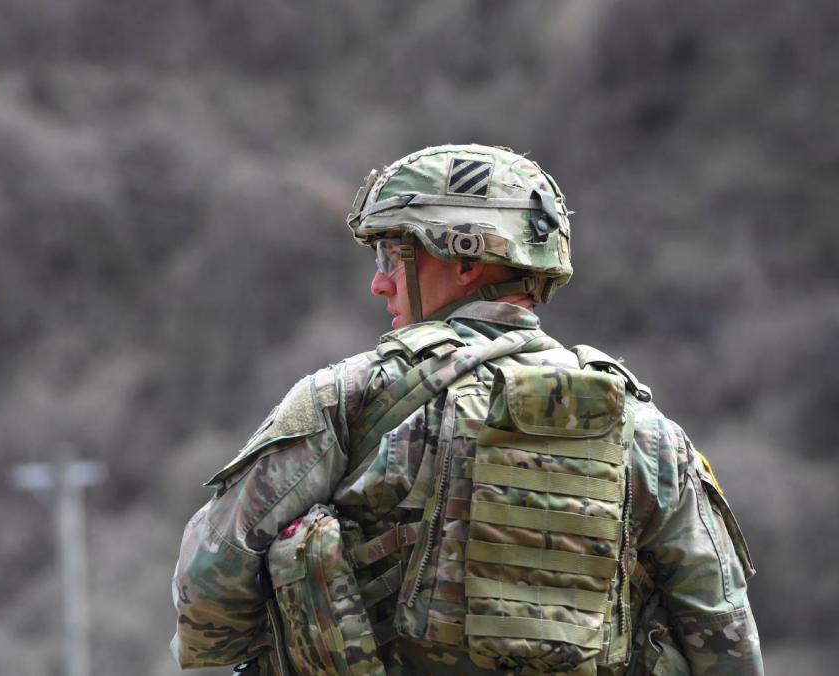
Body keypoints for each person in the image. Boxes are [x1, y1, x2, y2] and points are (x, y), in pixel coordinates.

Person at [171, 144, 762, 675]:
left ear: (466, 260)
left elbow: (208, 592)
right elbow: (725, 638)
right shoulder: (646, 430)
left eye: (392, 254)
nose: (380, 284)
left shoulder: (349, 398)